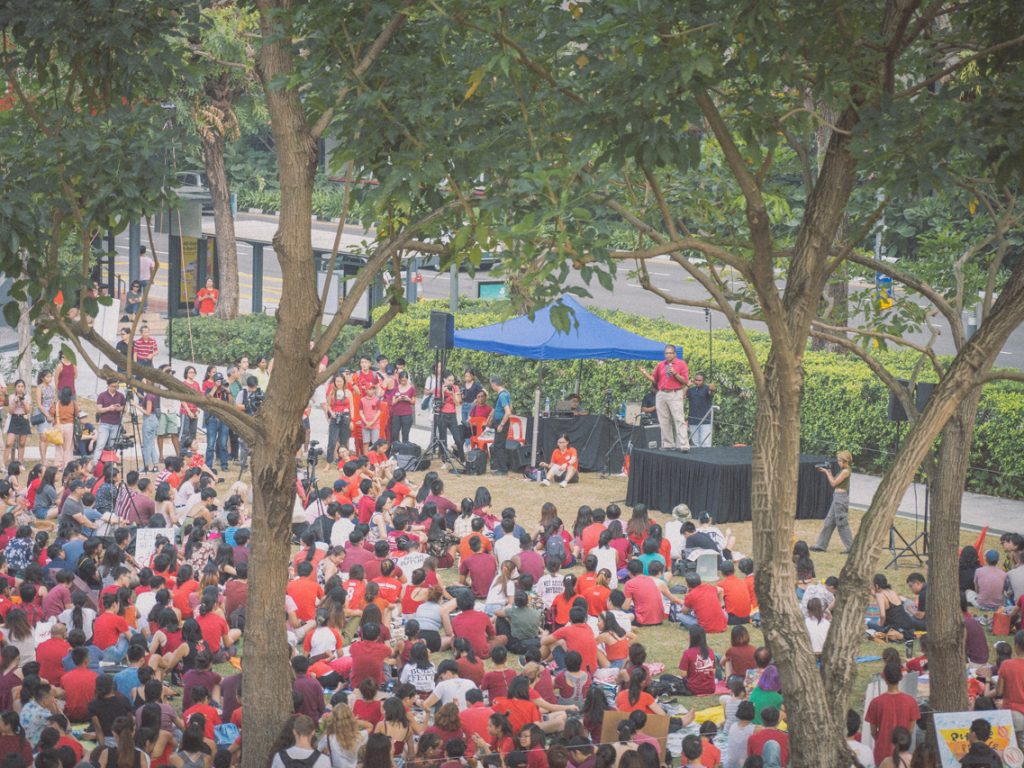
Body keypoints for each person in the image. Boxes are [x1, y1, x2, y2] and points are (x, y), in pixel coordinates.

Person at [865, 660, 921, 768]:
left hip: (882, 751)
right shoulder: (911, 701)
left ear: (884, 678)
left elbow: (873, 732)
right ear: (901, 677)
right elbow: (910, 730)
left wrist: (882, 740)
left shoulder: (876, 702)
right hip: (903, 755)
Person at [637, 344, 689, 451]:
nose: (668, 355)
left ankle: (684, 445)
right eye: (666, 353)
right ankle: (668, 444)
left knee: (679, 419)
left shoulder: (681, 364)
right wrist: (645, 374)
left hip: (675, 393)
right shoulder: (660, 365)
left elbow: (685, 381)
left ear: (675, 354)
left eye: (670, 353)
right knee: (664, 420)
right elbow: (655, 380)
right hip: (661, 393)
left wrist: (675, 373)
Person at [811, 451, 854, 553]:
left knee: (842, 523)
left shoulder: (845, 471)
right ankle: (821, 546)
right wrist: (829, 472)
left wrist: (826, 473)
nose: (838, 462)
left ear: (845, 461)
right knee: (829, 522)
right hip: (837, 498)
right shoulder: (843, 470)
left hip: (841, 499)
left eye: (839, 460)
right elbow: (835, 480)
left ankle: (851, 548)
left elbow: (833, 483)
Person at [92, 379, 126, 469]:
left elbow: (125, 408)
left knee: (113, 445)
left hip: (116, 423)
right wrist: (108, 408)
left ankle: (111, 463)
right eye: (113, 386)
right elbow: (98, 409)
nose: (115, 388)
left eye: (116, 386)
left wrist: (119, 408)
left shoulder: (121, 395)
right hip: (104, 423)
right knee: (100, 444)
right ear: (108, 385)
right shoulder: (102, 395)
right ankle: (95, 464)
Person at [489, 376, 513, 476]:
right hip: (501, 422)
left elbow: (508, 412)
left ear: (494, 384)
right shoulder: (506, 393)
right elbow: (511, 407)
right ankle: (500, 467)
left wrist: (501, 424)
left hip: (501, 423)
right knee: (499, 445)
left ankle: (503, 470)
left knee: (499, 446)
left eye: (492, 385)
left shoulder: (502, 395)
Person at [686, 372, 716, 448]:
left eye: (700, 380)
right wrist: (687, 385)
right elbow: (682, 396)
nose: (697, 382)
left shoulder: (707, 388)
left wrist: (712, 388)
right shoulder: (691, 390)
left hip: (705, 421)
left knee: (705, 444)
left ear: (703, 381)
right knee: (695, 444)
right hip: (693, 420)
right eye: (696, 380)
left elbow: (712, 393)